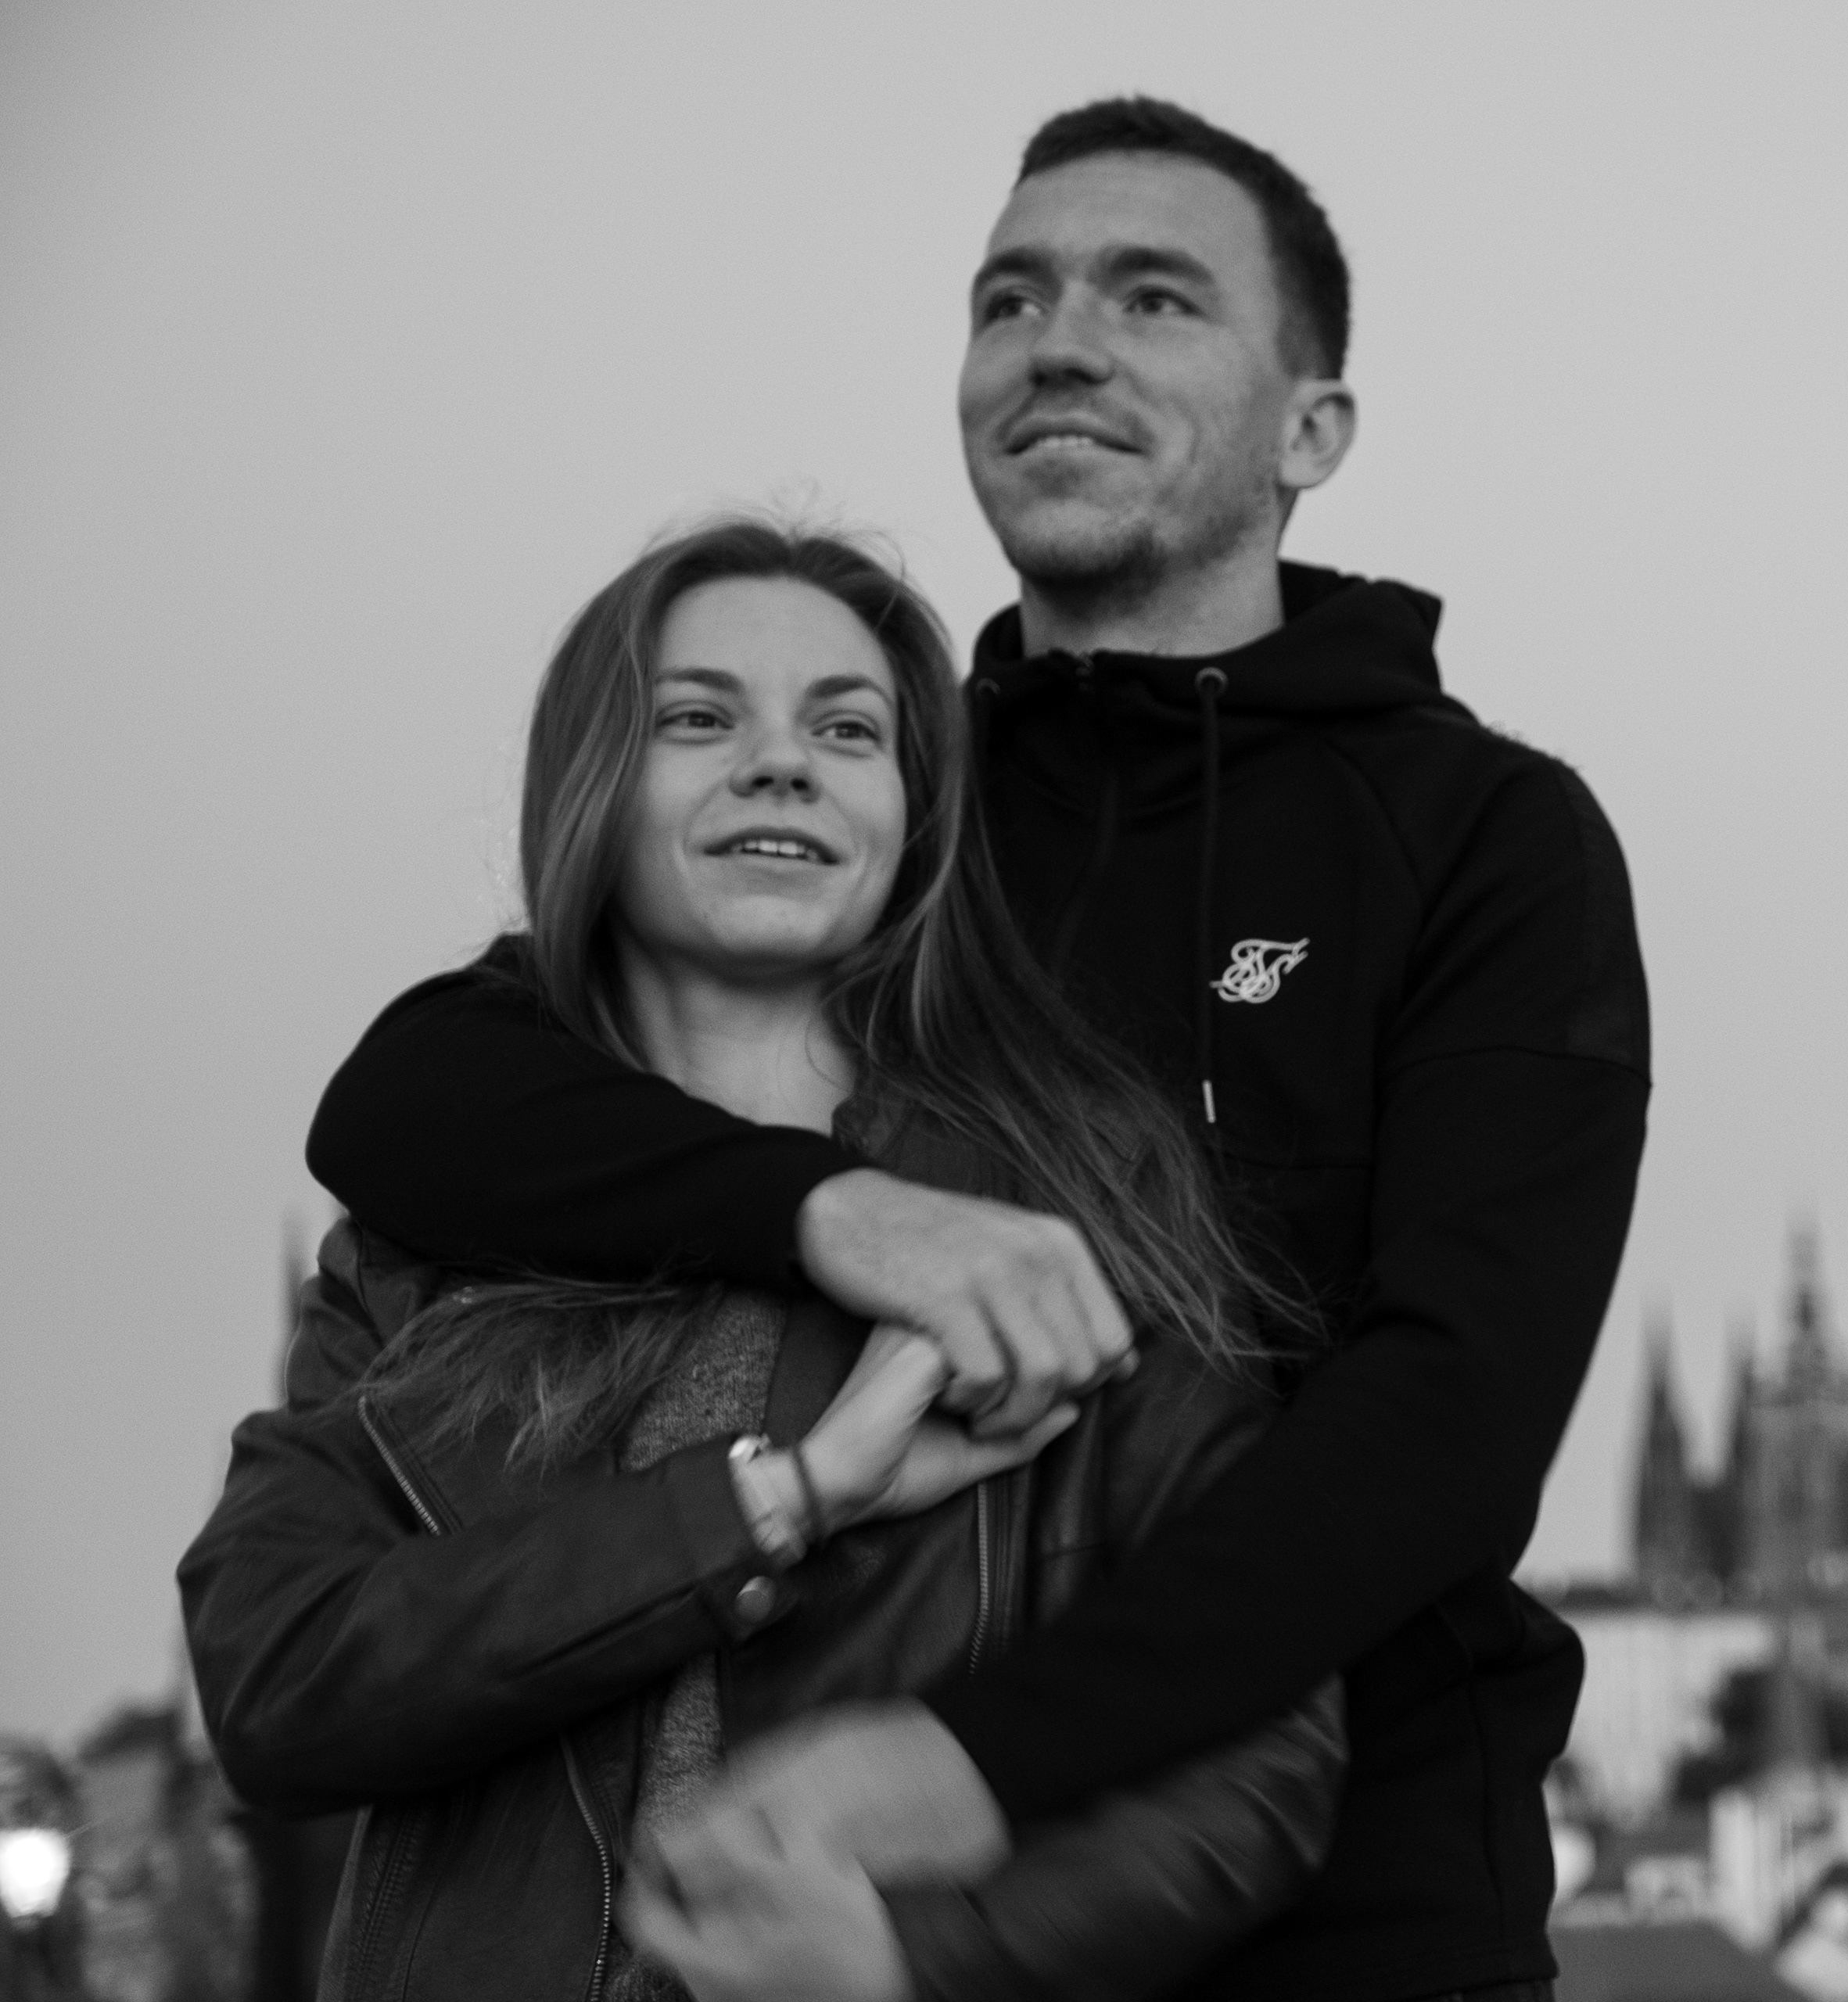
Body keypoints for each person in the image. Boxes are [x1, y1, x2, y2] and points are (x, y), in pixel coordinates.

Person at [304, 97, 1649, 2002]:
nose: (1060, 342)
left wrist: (979, 1760)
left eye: (1154, 298)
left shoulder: (1487, 839)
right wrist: (836, 1209)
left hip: (1348, 1917)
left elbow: (1449, 1423)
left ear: (1313, 429)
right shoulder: (882, 803)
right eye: (1010, 298)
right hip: (818, 1916)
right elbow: (412, 1095)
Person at [182, 520, 1345, 2001]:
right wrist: (776, 1502)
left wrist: (916, 1959)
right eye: (699, 718)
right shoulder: (426, 1237)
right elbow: (276, 1682)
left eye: (846, 730)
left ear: (911, 817)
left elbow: (1263, 1747)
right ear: (596, 786)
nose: (782, 763)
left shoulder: (1075, 1207)